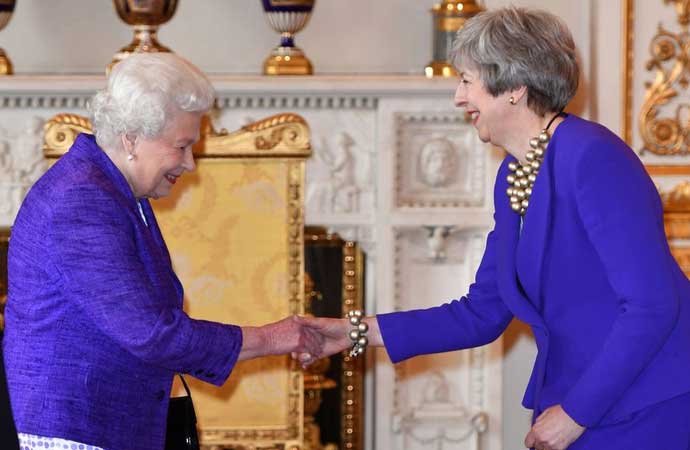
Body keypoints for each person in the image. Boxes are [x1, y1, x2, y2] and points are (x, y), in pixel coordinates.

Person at [299, 7, 690, 450]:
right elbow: (482, 313)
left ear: (514, 87)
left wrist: (575, 414)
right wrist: (353, 332)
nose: (458, 97)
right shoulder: (515, 173)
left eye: (467, 80)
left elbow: (652, 305)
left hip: (647, 404)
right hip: (588, 404)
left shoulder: (593, 156)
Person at [2, 53, 323, 450]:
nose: (190, 164)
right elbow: (151, 333)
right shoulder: (82, 198)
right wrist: (274, 338)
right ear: (132, 138)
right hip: (71, 428)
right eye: (182, 146)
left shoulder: (115, 190)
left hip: (98, 424)